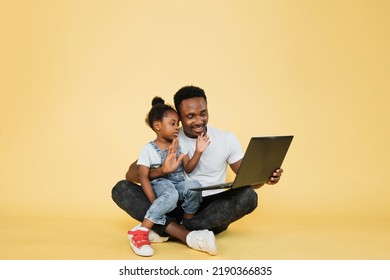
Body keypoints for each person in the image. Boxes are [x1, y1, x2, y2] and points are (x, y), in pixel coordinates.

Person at [112, 85, 284, 256]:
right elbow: (132, 174)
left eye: (203, 113)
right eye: (190, 116)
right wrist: (162, 170)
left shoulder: (227, 139)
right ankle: (187, 235)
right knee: (122, 188)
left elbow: (250, 181)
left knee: (249, 196)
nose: (199, 121)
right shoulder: (170, 136)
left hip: (210, 209)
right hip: (173, 203)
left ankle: (166, 229)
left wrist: (265, 177)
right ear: (179, 117)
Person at [128, 96, 212, 257]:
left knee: (194, 186)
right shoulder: (148, 149)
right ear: (157, 126)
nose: (176, 128)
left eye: (177, 124)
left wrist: (199, 151)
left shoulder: (178, 144)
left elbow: (188, 168)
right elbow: (143, 176)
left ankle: (185, 225)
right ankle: (141, 231)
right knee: (170, 194)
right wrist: (153, 201)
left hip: (178, 184)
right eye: (172, 124)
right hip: (161, 184)